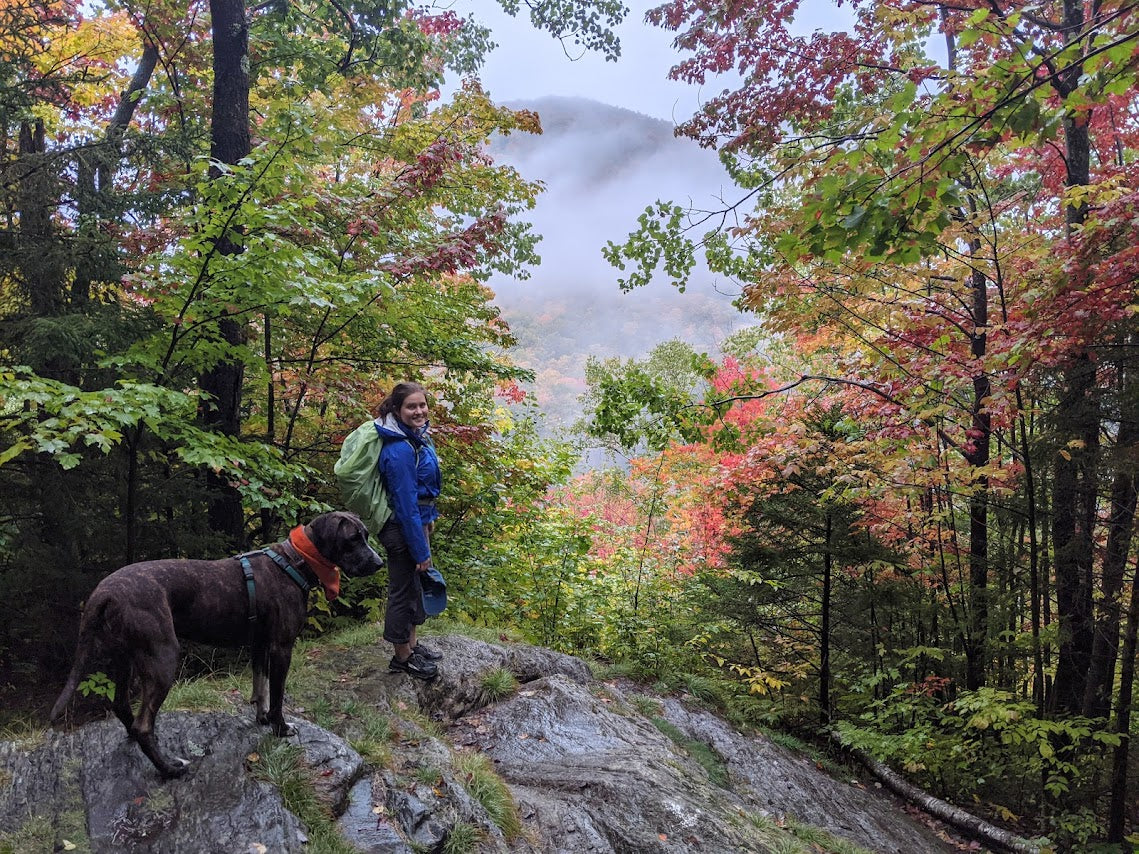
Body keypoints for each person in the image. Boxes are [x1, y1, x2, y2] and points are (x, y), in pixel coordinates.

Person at [374, 381, 443, 679]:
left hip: (417, 522)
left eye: (422, 405)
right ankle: (402, 658)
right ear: (397, 410)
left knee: (416, 585)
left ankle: (412, 646)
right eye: (411, 406)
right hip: (402, 528)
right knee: (403, 591)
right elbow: (404, 505)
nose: (419, 411)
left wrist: (430, 519)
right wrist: (420, 549)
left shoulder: (415, 438)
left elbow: (423, 489)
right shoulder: (399, 449)